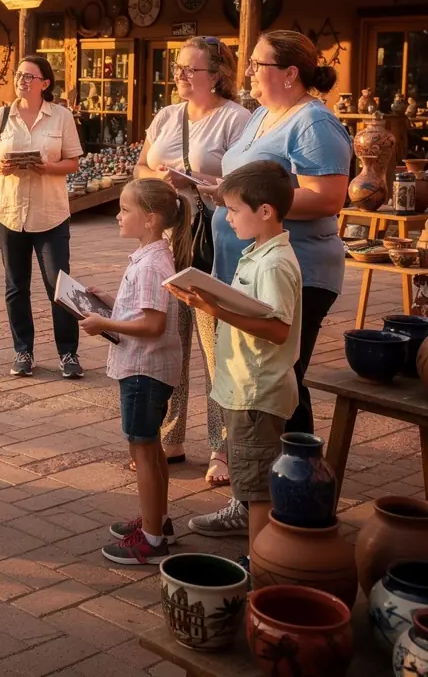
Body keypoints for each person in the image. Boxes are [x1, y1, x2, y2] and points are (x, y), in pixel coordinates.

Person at [188, 30, 350, 538]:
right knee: (279, 387)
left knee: (277, 386)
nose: (250, 71)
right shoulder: (261, 116)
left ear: (290, 73)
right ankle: (294, 496)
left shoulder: (314, 121)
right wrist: (224, 193)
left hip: (293, 271)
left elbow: (328, 196)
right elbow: (249, 182)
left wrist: (248, 200)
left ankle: (273, 503)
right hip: (248, 267)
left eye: (259, 63)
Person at [170, 162, 301, 563]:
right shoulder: (259, 253)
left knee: (258, 489)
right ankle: (256, 554)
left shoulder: (275, 263)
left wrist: (214, 307)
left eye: (234, 209)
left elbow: (277, 329)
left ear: (265, 211)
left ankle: (259, 566)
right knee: (248, 474)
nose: (227, 217)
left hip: (257, 391)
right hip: (243, 385)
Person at [134, 37, 251, 486]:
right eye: (178, 67)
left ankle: (223, 449)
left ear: (217, 74)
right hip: (166, 239)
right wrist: (160, 178)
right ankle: (171, 437)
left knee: (214, 345)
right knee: (169, 341)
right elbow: (142, 166)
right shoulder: (167, 116)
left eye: (190, 70)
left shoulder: (235, 120)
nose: (180, 76)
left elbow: (245, 183)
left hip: (211, 242)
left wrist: (201, 181)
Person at [78, 179, 192, 564]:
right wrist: (110, 303)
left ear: (150, 218)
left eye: (125, 210)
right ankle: (156, 521)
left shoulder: (153, 263)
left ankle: (153, 539)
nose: (117, 216)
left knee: (142, 450)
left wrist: (105, 324)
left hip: (144, 370)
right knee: (151, 448)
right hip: (149, 368)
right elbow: (145, 312)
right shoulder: (152, 256)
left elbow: (152, 326)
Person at [0, 54, 84, 379]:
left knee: (58, 284)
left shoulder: (61, 117)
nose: (22, 80)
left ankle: (68, 353)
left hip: (50, 213)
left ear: (45, 83)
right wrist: (2, 167)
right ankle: (22, 351)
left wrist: (47, 167)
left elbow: (73, 162)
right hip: (8, 211)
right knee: (16, 285)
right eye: (19, 75)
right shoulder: (1, 115)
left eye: (29, 76)